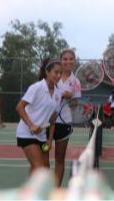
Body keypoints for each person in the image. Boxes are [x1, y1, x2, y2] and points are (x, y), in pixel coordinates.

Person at [16, 58, 61, 174]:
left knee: (44, 168)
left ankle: (30, 191)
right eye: (56, 72)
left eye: (60, 73)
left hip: (41, 136)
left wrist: (50, 140)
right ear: (47, 72)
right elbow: (19, 107)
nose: (59, 75)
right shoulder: (36, 87)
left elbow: (53, 118)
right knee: (40, 170)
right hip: (26, 133)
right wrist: (31, 125)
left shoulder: (58, 93)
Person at [48, 49, 81, 187]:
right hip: (46, 122)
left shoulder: (76, 82)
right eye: (65, 59)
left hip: (64, 122)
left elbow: (75, 105)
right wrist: (61, 94)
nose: (68, 61)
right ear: (60, 60)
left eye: (71, 59)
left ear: (74, 61)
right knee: (43, 158)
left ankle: (55, 190)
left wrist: (70, 97)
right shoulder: (52, 76)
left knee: (59, 159)